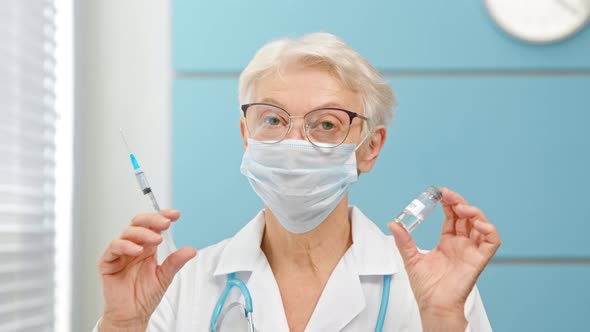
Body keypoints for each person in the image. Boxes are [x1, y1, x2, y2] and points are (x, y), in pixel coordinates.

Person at [95, 33, 500, 331]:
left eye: (326, 124)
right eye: (272, 119)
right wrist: (122, 322)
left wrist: (444, 317)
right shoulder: (183, 284)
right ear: (245, 135)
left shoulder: (431, 284)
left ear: (370, 147)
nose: (293, 143)